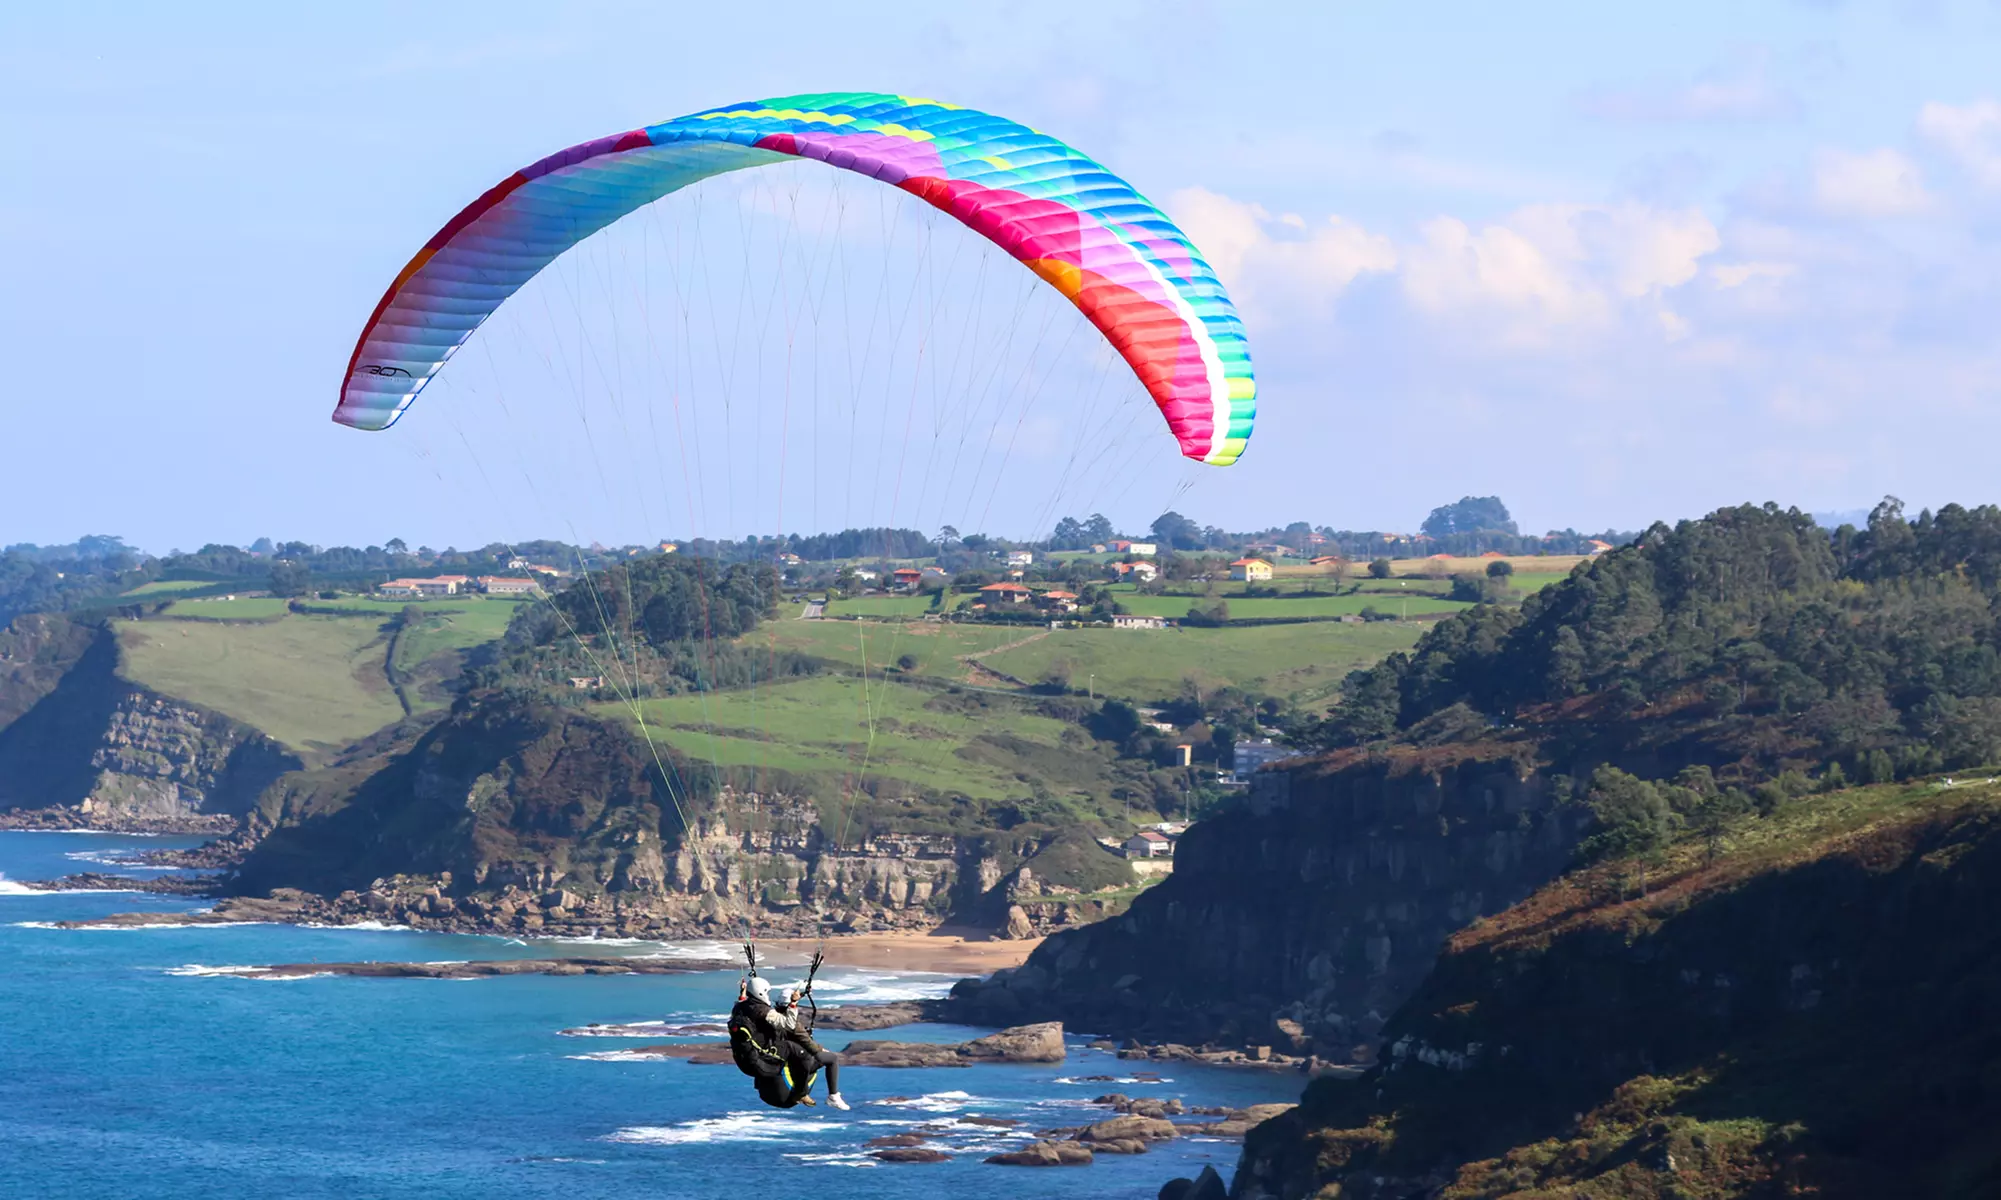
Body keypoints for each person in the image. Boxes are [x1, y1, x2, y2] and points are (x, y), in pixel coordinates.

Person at [727, 975, 847, 1111]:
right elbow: (789, 1025)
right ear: (760, 993)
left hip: (750, 1056)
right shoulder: (766, 1013)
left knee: (795, 1049)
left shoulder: (739, 1008)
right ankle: (813, 1094)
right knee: (818, 1056)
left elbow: (743, 1004)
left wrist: (743, 993)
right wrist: (794, 1004)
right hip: (769, 1052)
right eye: (766, 992)